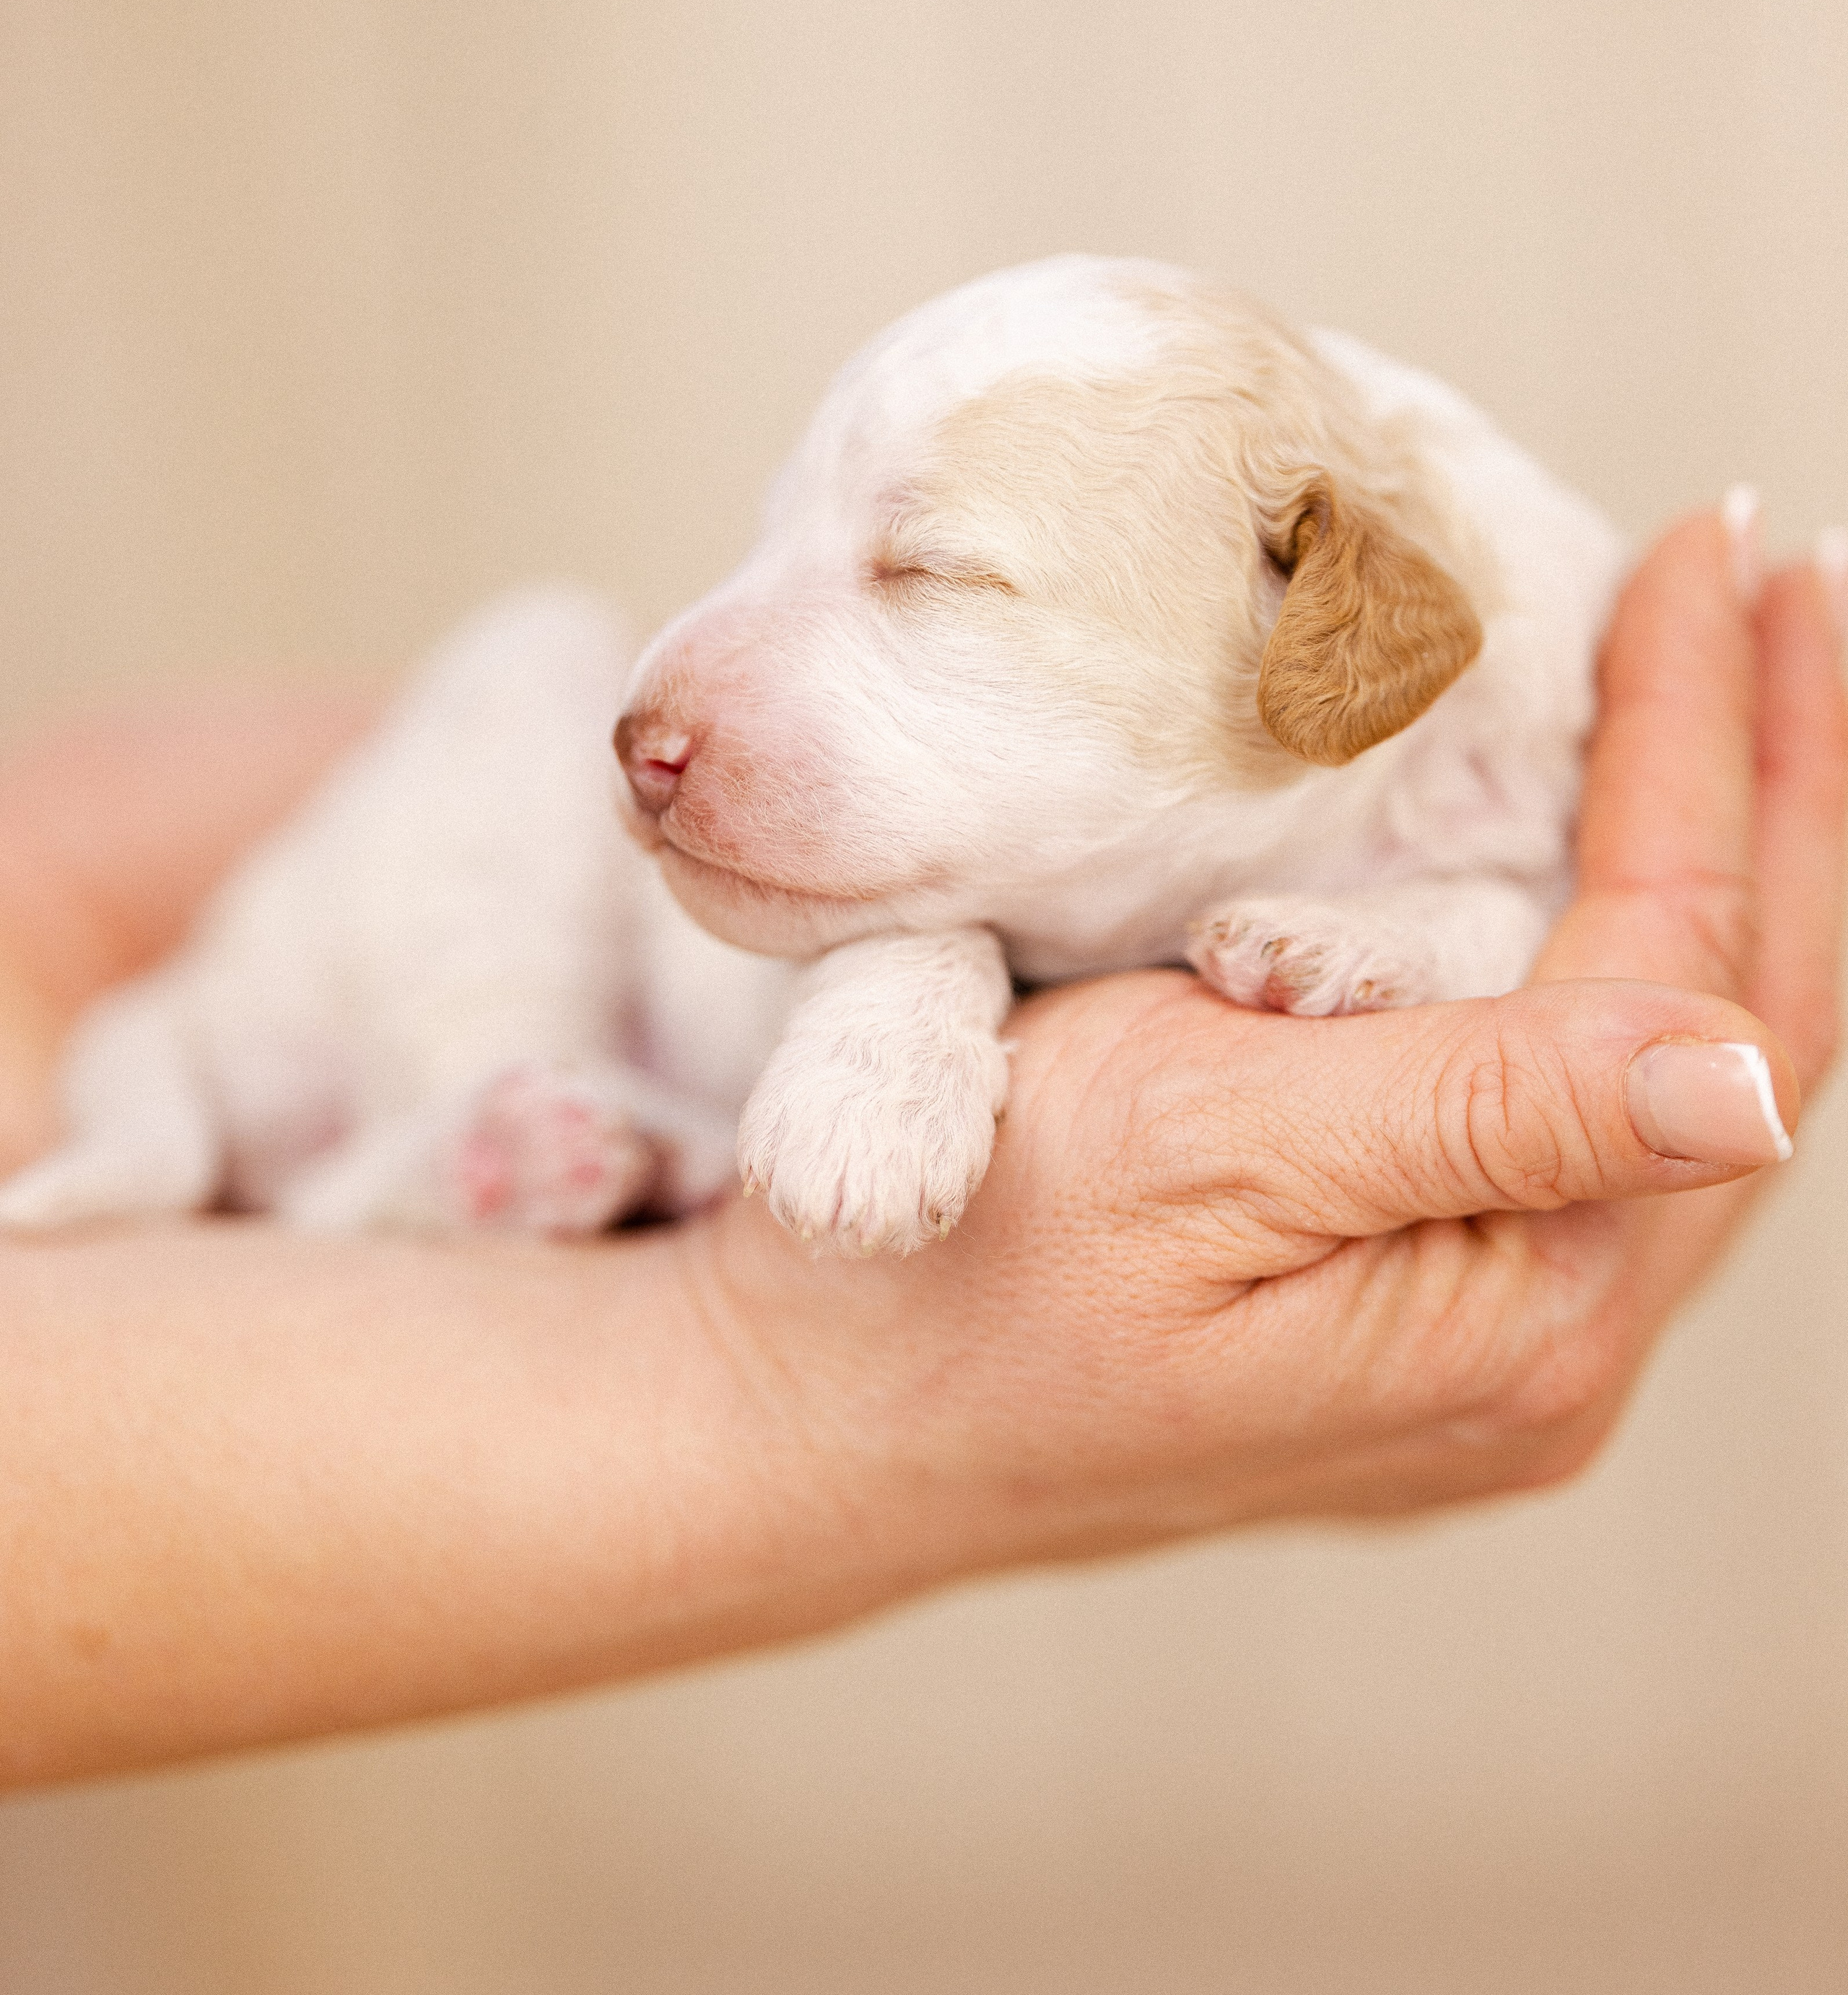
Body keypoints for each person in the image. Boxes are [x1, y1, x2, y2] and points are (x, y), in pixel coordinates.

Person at [0, 508, 1841, 1791]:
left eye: (927, 577)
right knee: (535, 701)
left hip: (277, 1035)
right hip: (333, 1020)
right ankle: (428, 1135)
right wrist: (765, 1378)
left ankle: (429, 1154)